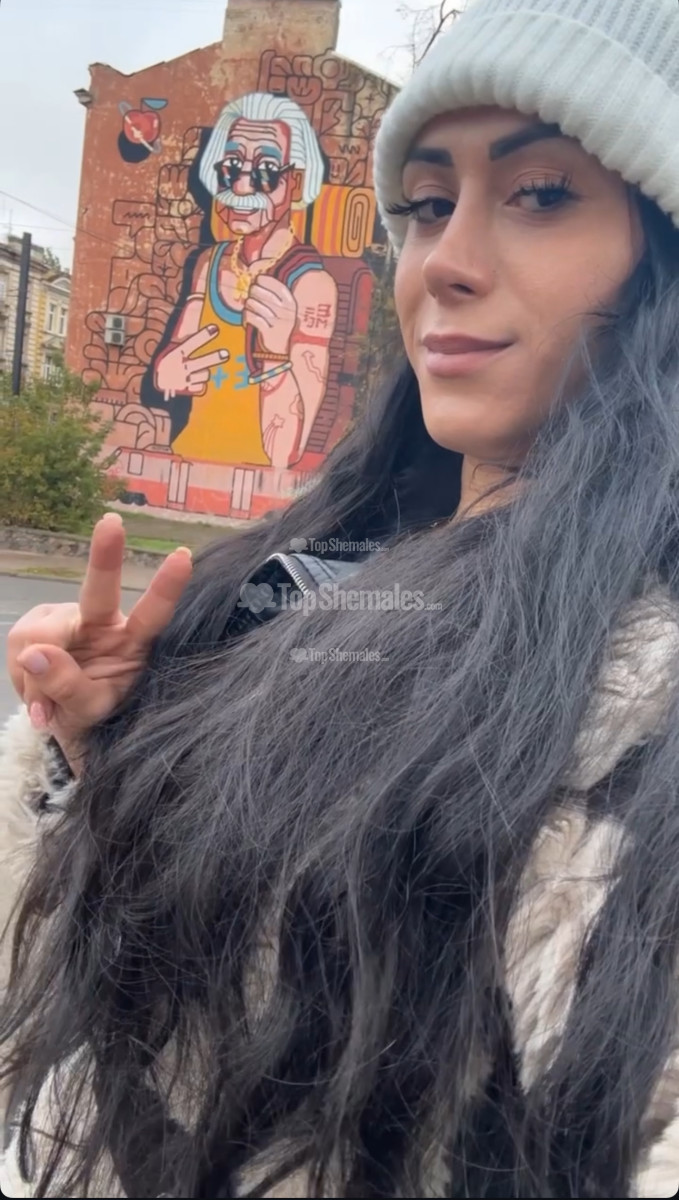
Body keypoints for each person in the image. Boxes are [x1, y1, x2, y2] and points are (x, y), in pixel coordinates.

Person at [3, 0, 679, 1194]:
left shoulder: (646, 726)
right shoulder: (285, 581)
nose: (447, 262)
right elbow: (65, 1010)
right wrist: (99, 753)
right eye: (426, 204)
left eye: (539, 194)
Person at [149, 92, 338, 475]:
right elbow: (178, 355)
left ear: (296, 182)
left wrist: (275, 350)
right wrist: (166, 372)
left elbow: (286, 452)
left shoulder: (312, 285)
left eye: (266, 170)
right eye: (232, 166)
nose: (240, 187)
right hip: (187, 463)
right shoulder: (210, 264)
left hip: (257, 486)